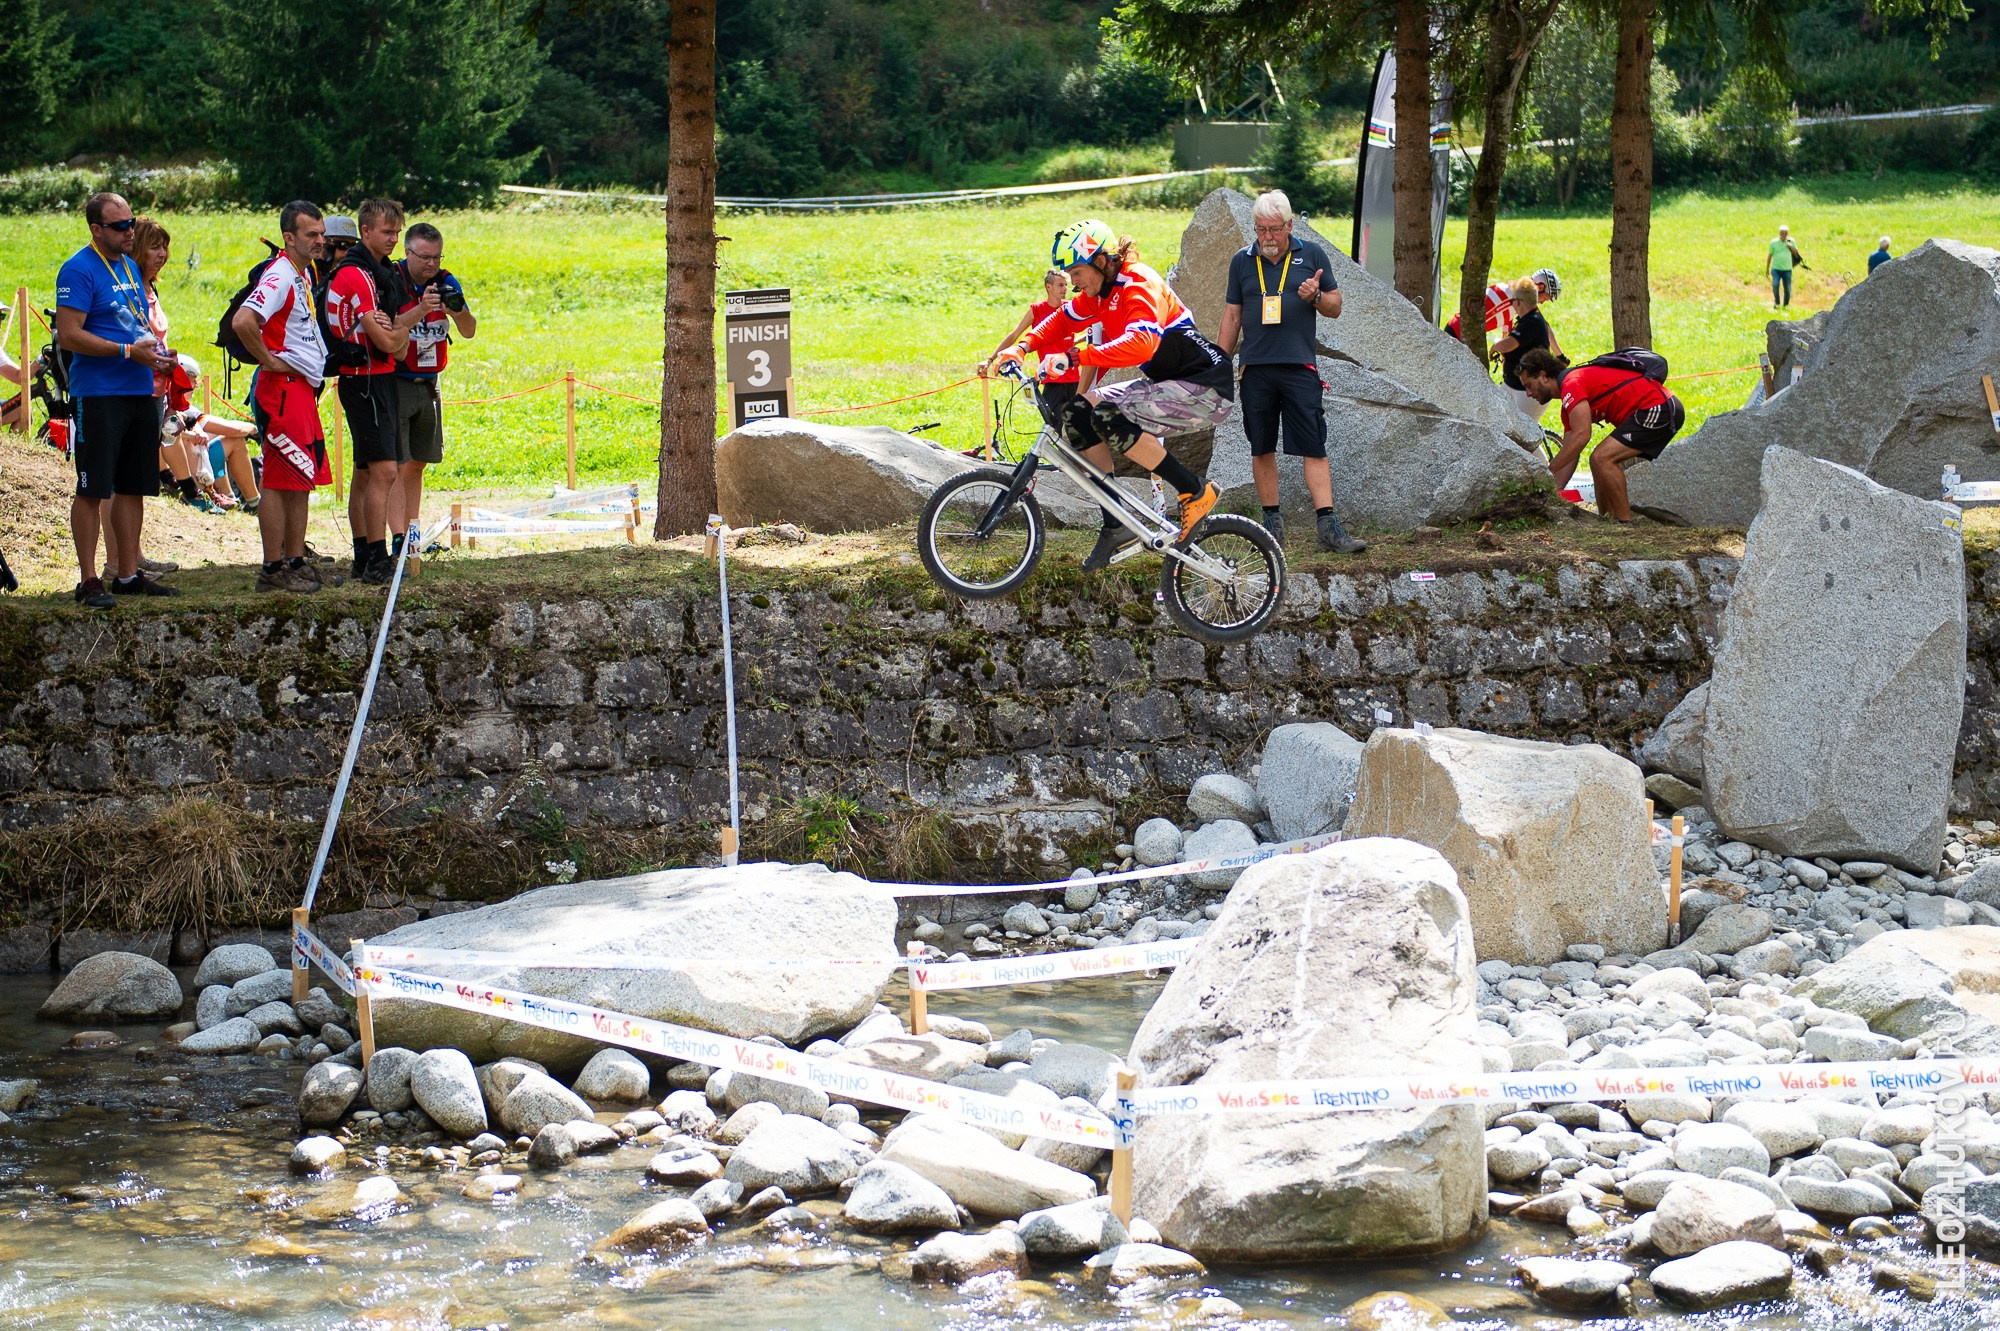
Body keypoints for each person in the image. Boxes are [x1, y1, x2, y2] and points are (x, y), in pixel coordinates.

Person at [995, 218, 1230, 571]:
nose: (1072, 282)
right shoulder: (1099, 293)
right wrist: (1022, 347)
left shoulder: (1138, 283)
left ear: (1101, 261)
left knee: (1108, 415)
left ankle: (1195, 491)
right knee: (1077, 413)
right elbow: (1062, 321)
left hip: (1204, 387)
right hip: (1168, 384)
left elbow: (1142, 344)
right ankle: (1115, 522)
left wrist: (1075, 356)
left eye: (1076, 272)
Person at [1214, 189, 1364, 553]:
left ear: (1289, 225)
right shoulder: (1241, 261)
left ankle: (1328, 526)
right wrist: (1219, 364)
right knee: (1261, 446)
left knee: (1313, 444)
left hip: (1299, 367)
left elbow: (1336, 306)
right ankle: (1271, 528)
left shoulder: (1311, 255)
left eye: (1274, 229)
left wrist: (1315, 295)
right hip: (1256, 369)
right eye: (1260, 229)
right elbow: (1232, 315)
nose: (1267, 237)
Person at [54, 191, 178, 606]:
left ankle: (127, 573)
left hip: (139, 388)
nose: (130, 231)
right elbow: (70, 335)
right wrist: (129, 353)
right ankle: (89, 579)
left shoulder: (128, 265)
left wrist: (158, 358)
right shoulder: (78, 268)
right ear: (96, 229)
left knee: (132, 486)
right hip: (100, 393)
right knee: (92, 488)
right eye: (121, 226)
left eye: (130, 222)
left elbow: (134, 327)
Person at [231, 200, 332, 594]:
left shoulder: (301, 273)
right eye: (311, 235)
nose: (320, 241)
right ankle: (273, 568)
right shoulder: (279, 274)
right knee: (278, 478)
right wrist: (270, 361)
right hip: (283, 391)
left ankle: (294, 560)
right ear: (289, 238)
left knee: (300, 478)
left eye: (322, 234)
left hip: (301, 389)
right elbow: (244, 320)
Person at [326, 198, 419, 583]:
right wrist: (408, 320)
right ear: (365, 232)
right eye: (387, 232)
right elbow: (387, 343)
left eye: (398, 232)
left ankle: (364, 554)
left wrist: (395, 329)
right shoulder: (357, 274)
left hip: (371, 376)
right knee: (383, 471)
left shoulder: (379, 273)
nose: (394, 239)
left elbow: (395, 346)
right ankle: (377, 559)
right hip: (365, 379)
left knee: (366, 472)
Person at [1519, 346, 1684, 523]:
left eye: (1529, 385)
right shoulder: (1567, 405)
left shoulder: (1571, 383)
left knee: (1602, 458)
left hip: (1659, 406)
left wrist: (1548, 469)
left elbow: (1582, 435)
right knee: (1597, 460)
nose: (1528, 394)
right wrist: (1550, 488)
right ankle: (1605, 522)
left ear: (1543, 376)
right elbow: (1570, 454)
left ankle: (1624, 524)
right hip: (1651, 409)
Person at [393, 221, 474, 550]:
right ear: (407, 251)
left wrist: (454, 310)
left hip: (429, 382)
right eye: (424, 257)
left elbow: (469, 330)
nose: (431, 264)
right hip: (395, 381)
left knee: (418, 462)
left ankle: (413, 537)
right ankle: (399, 539)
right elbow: (392, 326)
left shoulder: (445, 281)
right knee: (395, 464)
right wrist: (422, 308)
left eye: (436, 258)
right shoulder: (393, 279)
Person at [984, 270, 1095, 421]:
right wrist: (990, 359)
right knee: (1053, 426)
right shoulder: (1036, 310)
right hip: (1052, 379)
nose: (1065, 289)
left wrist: (1081, 339)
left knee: (1079, 424)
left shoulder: (1071, 308)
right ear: (1048, 287)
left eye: (1066, 285)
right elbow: (1014, 335)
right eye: (1060, 285)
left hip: (1075, 378)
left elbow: (1088, 331)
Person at [1488, 276, 1557, 421]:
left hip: (1529, 392)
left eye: (1512, 302)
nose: (1512, 305)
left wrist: (1495, 347)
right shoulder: (1528, 320)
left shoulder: (1531, 322)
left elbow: (1510, 343)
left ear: (1518, 302)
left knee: (1523, 438)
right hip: (1512, 386)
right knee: (1495, 419)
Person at [1765, 224, 1797, 307]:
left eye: (1785, 233)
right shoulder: (1774, 242)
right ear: (1779, 233)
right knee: (1775, 284)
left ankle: (1786, 305)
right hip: (1776, 269)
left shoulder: (1791, 241)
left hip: (1787, 269)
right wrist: (1767, 269)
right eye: (1782, 233)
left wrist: (1791, 247)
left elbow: (1796, 254)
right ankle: (1777, 302)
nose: (1784, 235)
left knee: (1787, 288)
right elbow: (1770, 256)